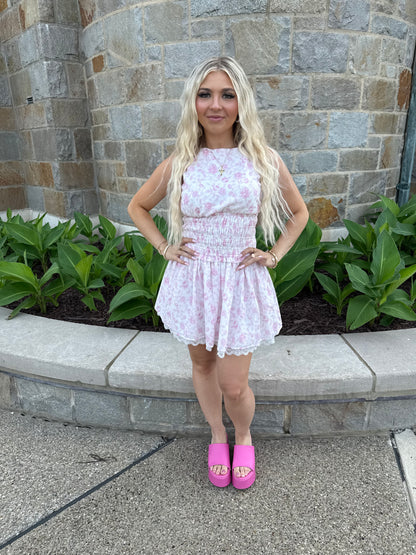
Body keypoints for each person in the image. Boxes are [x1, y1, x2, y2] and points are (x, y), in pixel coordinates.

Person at [128, 56, 309, 490]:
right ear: (193, 102)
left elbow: (300, 214)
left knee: (234, 383)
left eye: (227, 95)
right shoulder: (182, 161)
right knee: (203, 364)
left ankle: (243, 434)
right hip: (194, 278)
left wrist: (275, 255)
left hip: (240, 278)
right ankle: (216, 435)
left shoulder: (263, 159)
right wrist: (165, 248)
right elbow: (138, 207)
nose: (215, 105)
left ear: (241, 102)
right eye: (205, 94)